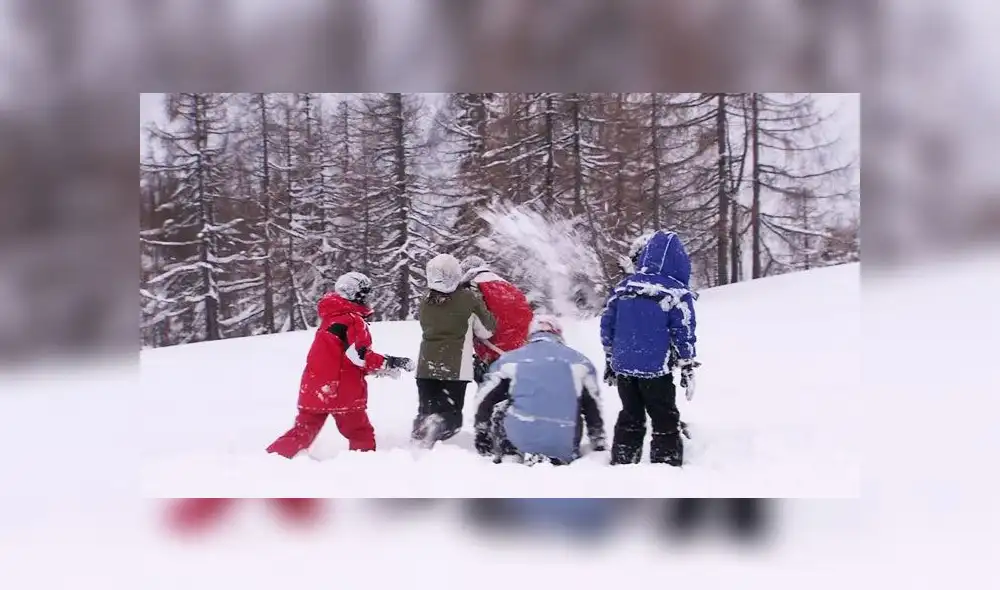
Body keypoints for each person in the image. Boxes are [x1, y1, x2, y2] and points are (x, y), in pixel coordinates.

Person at [266, 272, 414, 458]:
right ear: (357, 296)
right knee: (360, 432)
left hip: (314, 388)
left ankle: (271, 459)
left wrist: (378, 369)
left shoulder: (331, 318)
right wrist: (391, 362)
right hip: (342, 392)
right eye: (366, 294)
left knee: (302, 432)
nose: (369, 300)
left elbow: (342, 356)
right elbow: (359, 357)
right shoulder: (353, 320)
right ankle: (363, 465)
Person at [601, 230, 698, 466]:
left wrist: (610, 356)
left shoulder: (624, 287)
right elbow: (683, 330)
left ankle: (623, 461)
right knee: (664, 416)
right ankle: (665, 464)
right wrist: (687, 363)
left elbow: (607, 324)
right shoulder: (676, 293)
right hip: (655, 369)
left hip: (624, 367)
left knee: (630, 415)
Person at [473, 315, 606, 466]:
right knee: (573, 404)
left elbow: (485, 399)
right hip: (564, 443)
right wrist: (598, 440)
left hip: (519, 438)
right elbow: (592, 407)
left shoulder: (510, 360)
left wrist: (482, 432)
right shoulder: (581, 362)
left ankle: (511, 454)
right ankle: (557, 451)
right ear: (558, 334)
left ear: (531, 334)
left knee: (503, 405)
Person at [413, 253, 497, 448]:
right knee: (451, 416)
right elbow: (487, 330)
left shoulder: (425, 300)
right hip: (455, 367)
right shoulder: (468, 298)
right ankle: (439, 426)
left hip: (426, 366)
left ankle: (419, 443)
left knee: (426, 411)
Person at [458, 255, 534, 383]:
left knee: (490, 398)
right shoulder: (508, 286)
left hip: (494, 353)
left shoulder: (472, 287)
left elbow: (467, 323)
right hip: (522, 352)